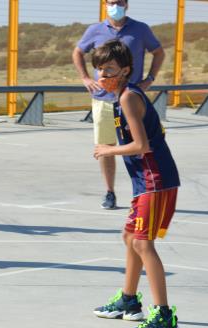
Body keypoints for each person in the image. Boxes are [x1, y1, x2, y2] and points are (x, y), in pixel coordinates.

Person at [91, 40, 179, 328]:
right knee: (129, 237)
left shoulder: (129, 97)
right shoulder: (120, 97)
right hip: (145, 182)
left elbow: (142, 145)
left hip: (156, 180)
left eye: (109, 70)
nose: (103, 74)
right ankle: (129, 299)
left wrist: (108, 149)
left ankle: (164, 316)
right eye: (100, 69)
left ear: (126, 70)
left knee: (143, 244)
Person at [72, 0, 165, 209]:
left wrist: (150, 78)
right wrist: (86, 78)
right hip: (103, 100)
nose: (116, 5)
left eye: (120, 2)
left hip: (130, 100)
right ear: (105, 4)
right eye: (112, 2)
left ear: (127, 5)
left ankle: (143, 191)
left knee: (139, 146)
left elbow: (159, 52)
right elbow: (78, 52)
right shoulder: (95, 30)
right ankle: (109, 192)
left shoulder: (140, 29)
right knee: (105, 147)